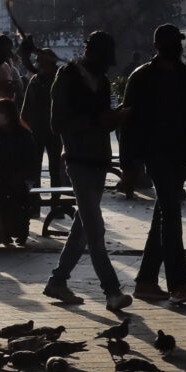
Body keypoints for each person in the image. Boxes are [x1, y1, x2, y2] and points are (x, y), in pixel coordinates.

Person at [122, 24, 186, 304]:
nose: (177, 46)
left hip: (180, 153)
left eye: (178, 41)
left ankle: (146, 281)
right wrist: (128, 164)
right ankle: (178, 284)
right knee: (171, 216)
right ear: (158, 45)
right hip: (155, 154)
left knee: (164, 216)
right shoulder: (142, 78)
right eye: (172, 41)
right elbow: (128, 123)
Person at [44, 30, 131, 310]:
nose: (106, 66)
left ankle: (58, 281)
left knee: (83, 228)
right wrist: (97, 119)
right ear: (91, 53)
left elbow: (102, 122)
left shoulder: (103, 81)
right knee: (95, 228)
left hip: (98, 160)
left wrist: (114, 120)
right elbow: (58, 124)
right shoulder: (67, 78)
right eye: (103, 59)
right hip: (77, 160)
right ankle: (112, 291)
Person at [0, 98, 41, 245]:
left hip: (21, 176)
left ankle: (21, 232)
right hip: (0, 177)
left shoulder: (24, 135)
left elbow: (31, 161)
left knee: (19, 194)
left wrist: (22, 176)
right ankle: (4, 232)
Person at [23, 48, 63, 187]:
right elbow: (26, 107)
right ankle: (36, 199)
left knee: (55, 168)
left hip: (54, 130)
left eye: (41, 62)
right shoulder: (35, 80)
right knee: (35, 168)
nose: (38, 65)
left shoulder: (60, 79)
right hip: (37, 129)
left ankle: (56, 199)